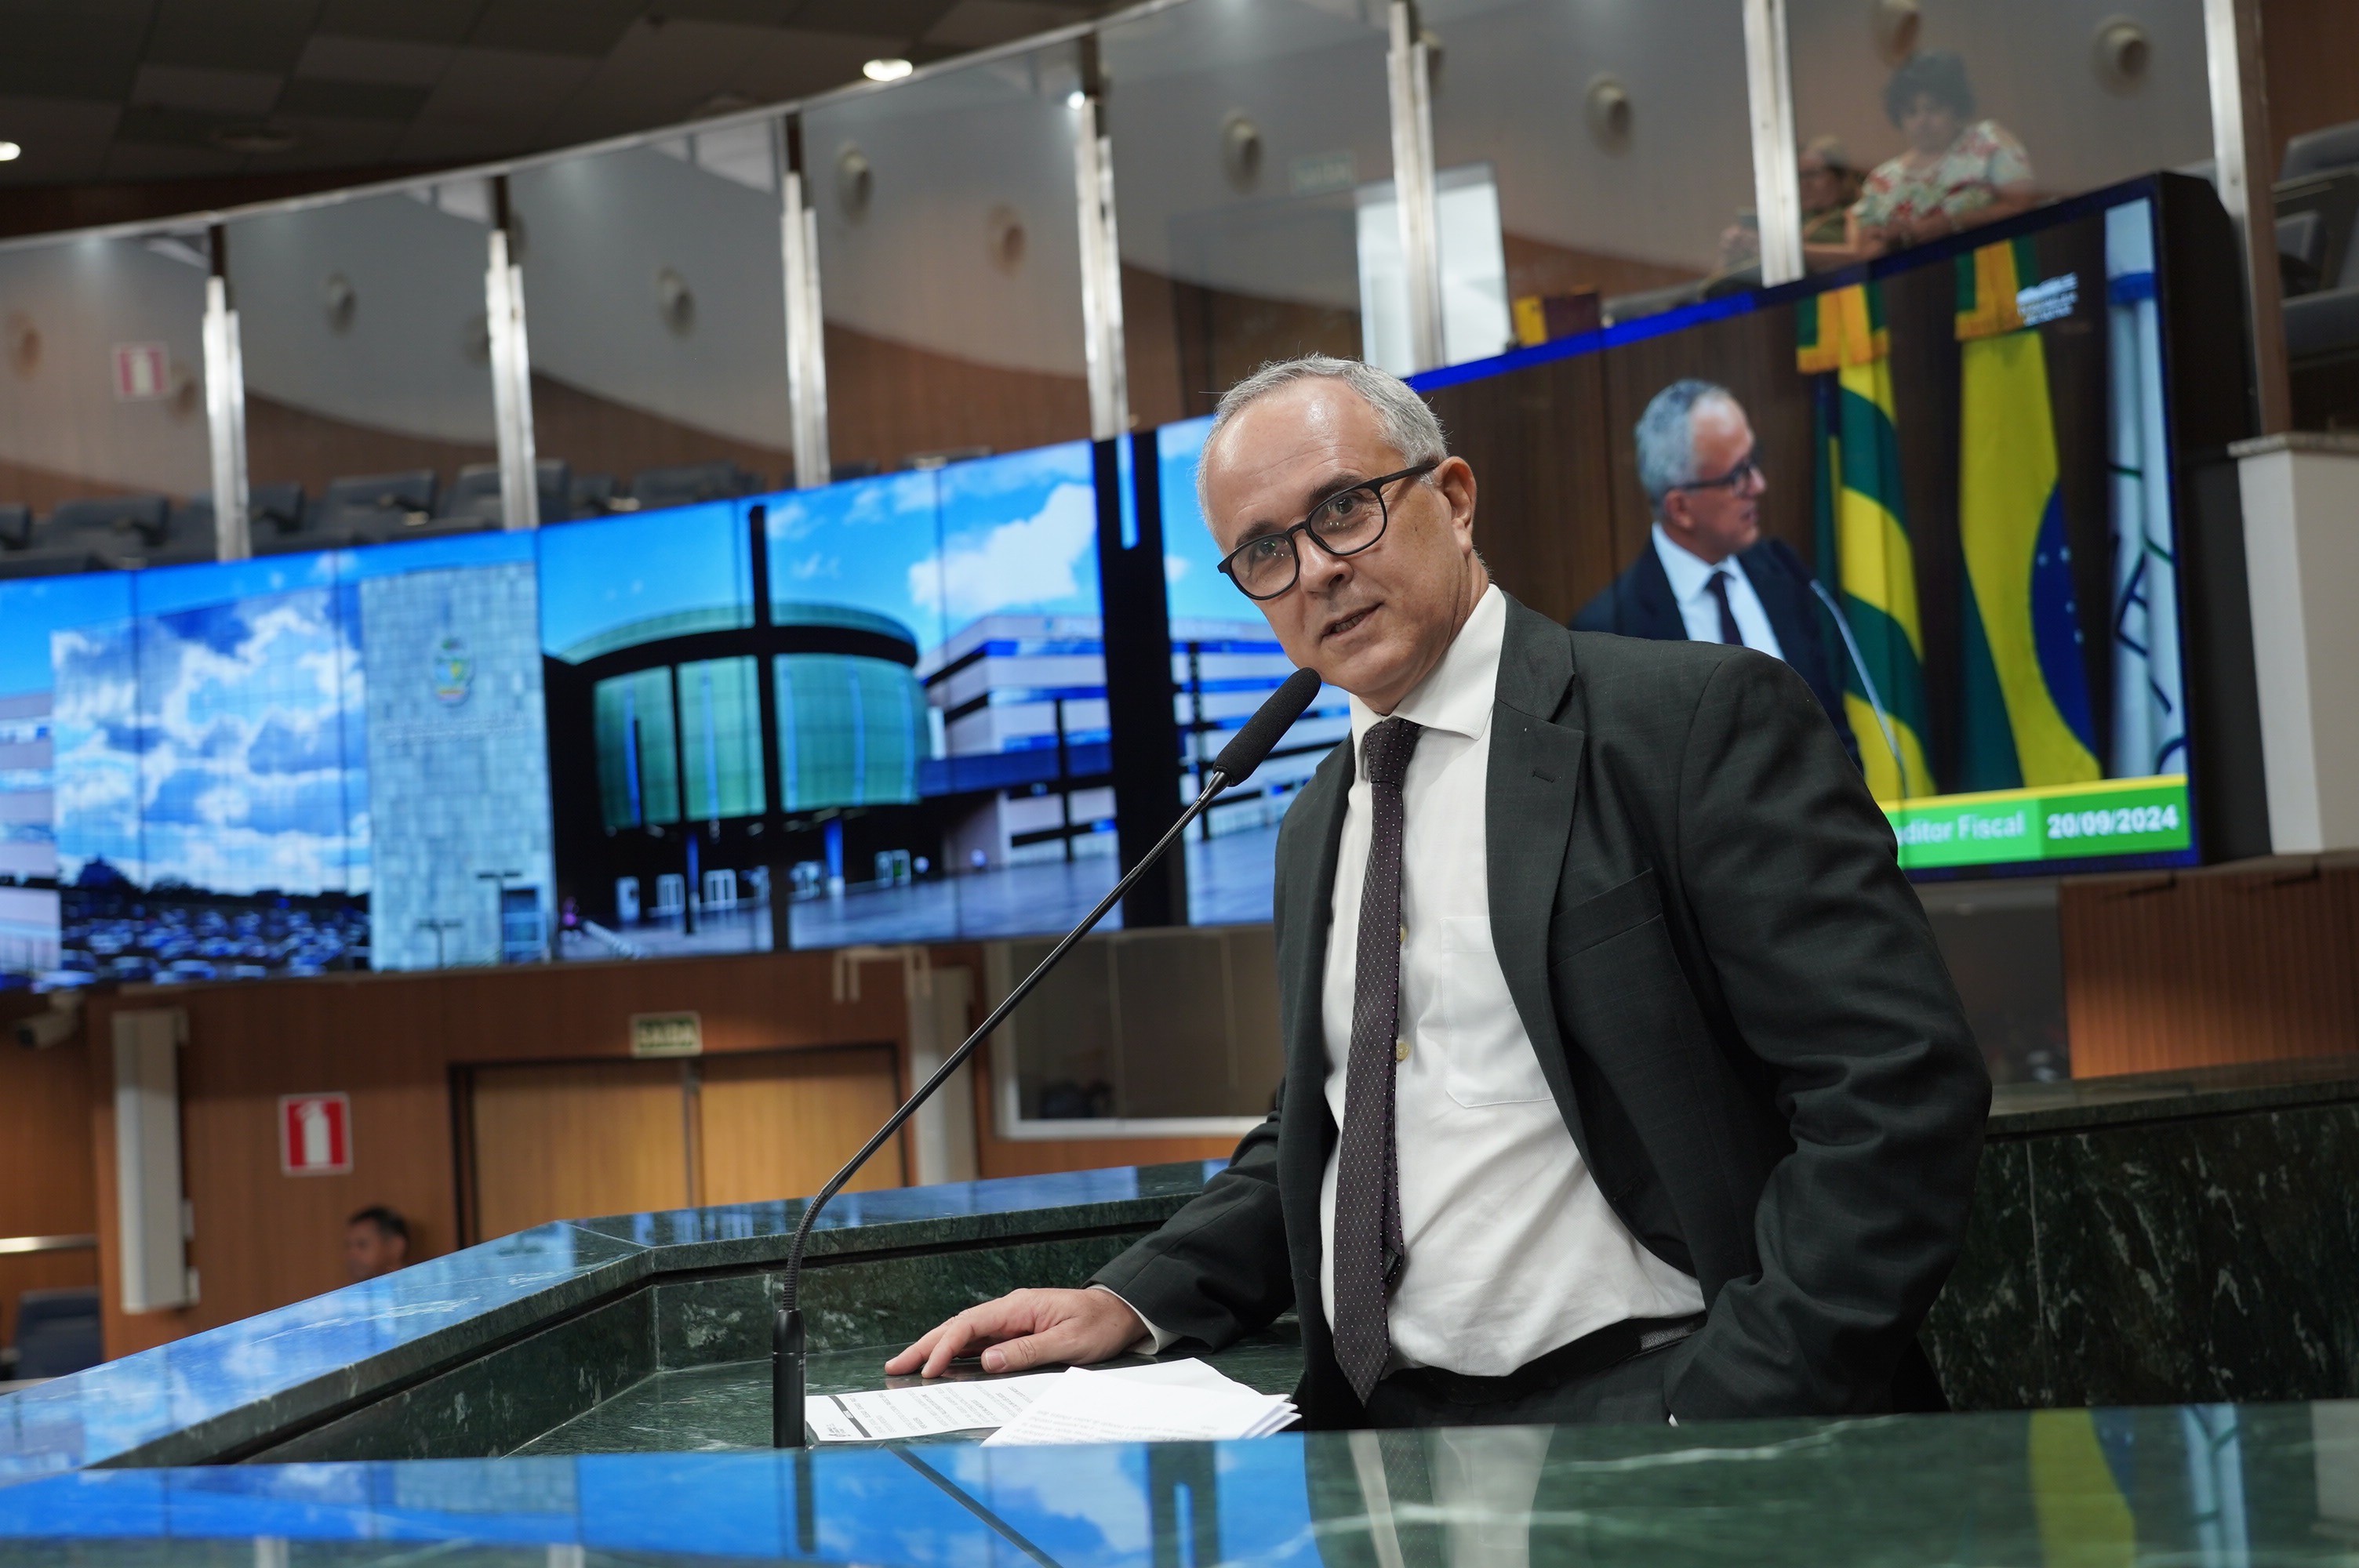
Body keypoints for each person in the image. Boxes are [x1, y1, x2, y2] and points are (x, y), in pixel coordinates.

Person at [887, 354, 1986, 1428]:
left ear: (1453, 498)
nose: (1314, 570)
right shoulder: (1316, 819)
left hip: (1662, 1406)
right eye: (1265, 549)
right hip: (1386, 1435)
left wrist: (1730, 1404)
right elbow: (1336, 1126)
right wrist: (1128, 1299)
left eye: (1343, 509)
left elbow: (1892, 1088)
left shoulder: (1692, 723)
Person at [1572, 379, 1857, 764]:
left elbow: (1834, 734)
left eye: (1755, 460)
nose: (1758, 485)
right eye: (1737, 475)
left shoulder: (1783, 572)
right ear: (1680, 508)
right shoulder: (1610, 631)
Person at [1852, 49, 2036, 256]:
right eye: (1911, 112)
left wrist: (1953, 224)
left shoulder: (1988, 140)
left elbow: (2022, 207)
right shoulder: (1881, 180)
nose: (1922, 121)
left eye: (1933, 108)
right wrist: (1890, 242)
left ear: (1956, 107)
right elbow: (1864, 253)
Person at [345, 1206, 410, 1281]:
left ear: (395, 1246)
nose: (351, 1255)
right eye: (348, 1246)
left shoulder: (418, 1286)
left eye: (362, 1244)